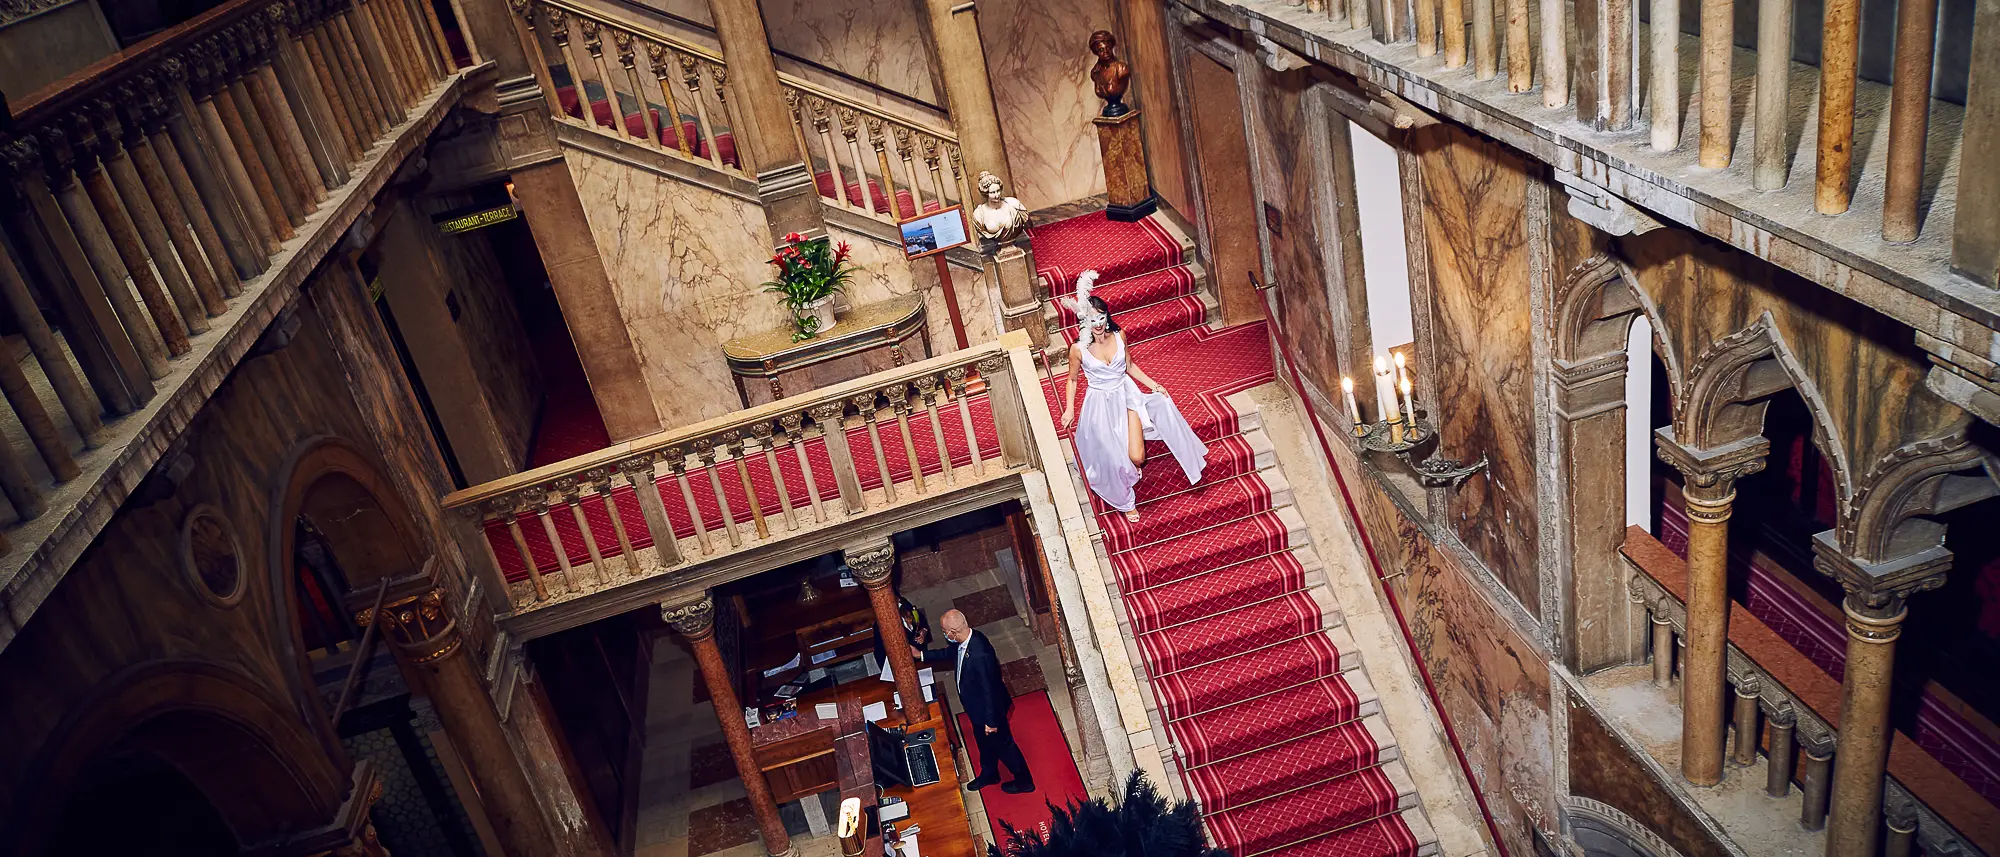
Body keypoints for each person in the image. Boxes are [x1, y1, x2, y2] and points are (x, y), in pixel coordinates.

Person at [1058, 271, 1208, 520]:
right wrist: (1070, 409)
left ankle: (1135, 468)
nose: (1098, 324)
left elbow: (1129, 366)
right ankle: (1126, 502)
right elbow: (1072, 379)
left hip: (1127, 397)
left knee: (1137, 457)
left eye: (1101, 318)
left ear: (1107, 316)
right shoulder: (1078, 350)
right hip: (1099, 407)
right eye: (1092, 320)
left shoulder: (1120, 336)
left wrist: (1154, 384)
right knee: (1112, 460)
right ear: (1084, 323)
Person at [914, 609, 1033, 794]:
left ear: (953, 633)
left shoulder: (980, 654)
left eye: (945, 632)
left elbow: (989, 690)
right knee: (983, 744)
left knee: (1004, 746)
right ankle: (990, 774)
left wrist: (991, 722)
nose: (945, 635)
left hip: (990, 712)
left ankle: (1025, 782)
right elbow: (948, 653)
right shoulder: (967, 639)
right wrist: (921, 655)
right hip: (977, 710)